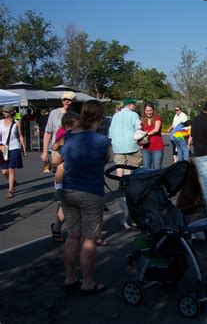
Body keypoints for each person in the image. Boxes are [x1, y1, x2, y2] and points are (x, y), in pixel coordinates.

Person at [52, 100, 110, 295]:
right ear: (100, 117)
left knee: (73, 235)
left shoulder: (68, 136)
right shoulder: (102, 140)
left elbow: (58, 158)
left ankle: (70, 277)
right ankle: (87, 281)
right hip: (92, 192)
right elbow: (106, 160)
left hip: (69, 191)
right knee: (89, 239)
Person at [41, 91, 77, 239]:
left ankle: (60, 228)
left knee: (72, 197)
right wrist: (44, 152)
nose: (66, 102)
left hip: (73, 156)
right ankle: (59, 227)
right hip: (59, 152)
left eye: (69, 100)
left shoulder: (76, 115)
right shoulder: (54, 114)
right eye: (64, 99)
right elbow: (48, 133)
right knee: (65, 197)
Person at [50, 112, 82, 205]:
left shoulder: (79, 133)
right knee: (60, 168)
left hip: (76, 158)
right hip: (64, 158)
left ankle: (98, 198)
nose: (79, 127)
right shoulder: (62, 132)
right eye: (77, 125)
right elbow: (54, 147)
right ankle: (59, 189)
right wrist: (59, 143)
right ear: (67, 126)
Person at [109, 98, 142, 176]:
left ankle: (121, 184)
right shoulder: (134, 114)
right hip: (131, 145)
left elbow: (111, 131)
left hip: (118, 145)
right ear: (130, 105)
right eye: (134, 105)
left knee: (119, 166)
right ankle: (134, 184)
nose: (135, 107)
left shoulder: (116, 115)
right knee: (135, 166)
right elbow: (138, 129)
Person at [1, 105, 26, 198]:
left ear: (11, 112)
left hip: (15, 147)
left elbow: (20, 135)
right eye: (3, 111)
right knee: (4, 171)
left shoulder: (16, 122)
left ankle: (10, 190)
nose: (4, 113)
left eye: (6, 111)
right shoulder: (0, 122)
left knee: (11, 169)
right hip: (3, 149)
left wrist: (23, 147)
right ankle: (12, 182)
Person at [140, 102, 164, 169]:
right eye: (147, 111)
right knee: (146, 169)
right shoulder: (143, 120)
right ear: (144, 111)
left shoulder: (157, 118)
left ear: (153, 110)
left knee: (157, 168)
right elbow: (141, 132)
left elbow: (156, 129)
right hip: (146, 148)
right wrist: (140, 141)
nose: (149, 112)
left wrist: (146, 133)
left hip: (157, 148)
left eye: (150, 110)